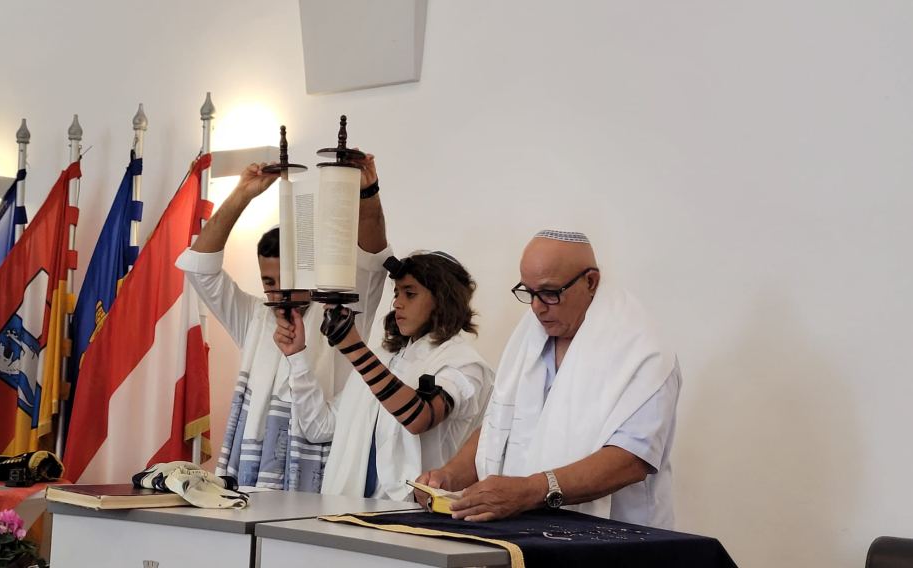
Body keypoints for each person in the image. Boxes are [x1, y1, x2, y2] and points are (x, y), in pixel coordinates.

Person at [415, 230, 681, 528]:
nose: (537, 307)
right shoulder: (530, 335)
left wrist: (531, 490)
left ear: (590, 281)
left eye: (550, 293)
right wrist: (450, 476)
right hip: (527, 531)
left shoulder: (642, 350)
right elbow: (498, 428)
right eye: (528, 292)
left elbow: (631, 460)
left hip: (616, 540)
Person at [174, 155, 391, 491]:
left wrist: (368, 193)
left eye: (289, 282)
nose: (280, 295)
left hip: (326, 480)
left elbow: (374, 259)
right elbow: (200, 268)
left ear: (311, 272)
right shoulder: (256, 316)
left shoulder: (342, 310)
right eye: (270, 284)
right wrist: (242, 194)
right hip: (254, 482)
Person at [273, 251, 495, 501]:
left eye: (410, 294)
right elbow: (319, 428)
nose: (397, 303)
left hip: (415, 520)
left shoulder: (465, 364)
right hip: (345, 510)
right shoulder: (381, 358)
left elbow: (419, 417)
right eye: (396, 293)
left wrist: (354, 348)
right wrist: (297, 357)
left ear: (443, 300)